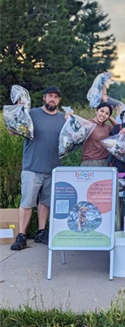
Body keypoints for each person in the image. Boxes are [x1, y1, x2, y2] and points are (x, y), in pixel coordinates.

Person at [10, 86, 66, 251]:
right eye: (50, 96)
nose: (52, 99)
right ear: (44, 98)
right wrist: (18, 111)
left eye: (56, 97)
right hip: (32, 167)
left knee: (45, 203)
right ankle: (21, 235)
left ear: (59, 100)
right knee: (27, 202)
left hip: (53, 168)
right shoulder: (31, 114)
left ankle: (41, 232)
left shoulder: (64, 118)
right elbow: (12, 131)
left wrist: (73, 120)